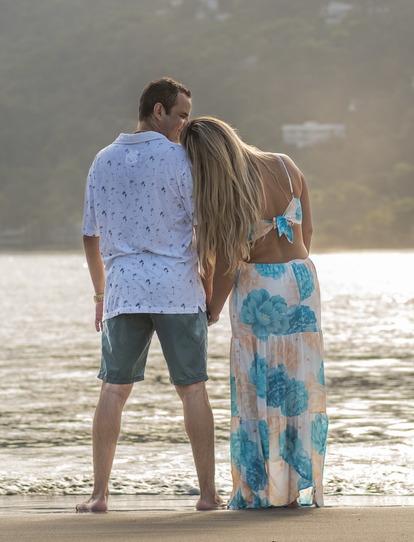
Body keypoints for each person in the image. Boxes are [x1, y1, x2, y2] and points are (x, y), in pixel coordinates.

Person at [77, 78, 222, 513]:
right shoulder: (182, 160)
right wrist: (210, 294)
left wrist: (100, 294)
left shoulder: (102, 160)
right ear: (157, 111)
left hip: (124, 289)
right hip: (178, 289)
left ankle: (99, 494)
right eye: (180, 115)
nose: (184, 125)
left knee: (112, 391)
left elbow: (89, 235)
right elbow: (205, 233)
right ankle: (208, 494)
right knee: (193, 390)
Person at [180, 116, 327, 509]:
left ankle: (261, 490)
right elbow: (307, 235)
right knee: (298, 386)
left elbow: (227, 262)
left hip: (260, 290)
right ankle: (299, 489)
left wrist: (210, 312)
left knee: (259, 386)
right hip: (301, 281)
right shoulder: (285, 165)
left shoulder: (230, 190)